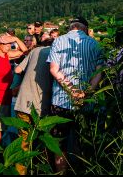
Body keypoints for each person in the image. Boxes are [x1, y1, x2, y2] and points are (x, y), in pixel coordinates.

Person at [47, 16, 105, 172]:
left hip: (61, 101)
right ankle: (86, 170)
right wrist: (85, 93)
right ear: (85, 29)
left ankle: (61, 172)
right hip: (86, 101)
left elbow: (53, 69)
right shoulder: (95, 44)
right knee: (86, 140)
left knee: (60, 142)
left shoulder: (58, 41)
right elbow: (99, 73)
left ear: (70, 27)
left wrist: (72, 91)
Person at [13, 37, 53, 175]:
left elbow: (18, 70)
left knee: (23, 141)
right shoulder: (55, 52)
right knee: (42, 141)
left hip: (23, 101)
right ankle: (38, 169)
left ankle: (20, 171)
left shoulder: (34, 51)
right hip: (41, 105)